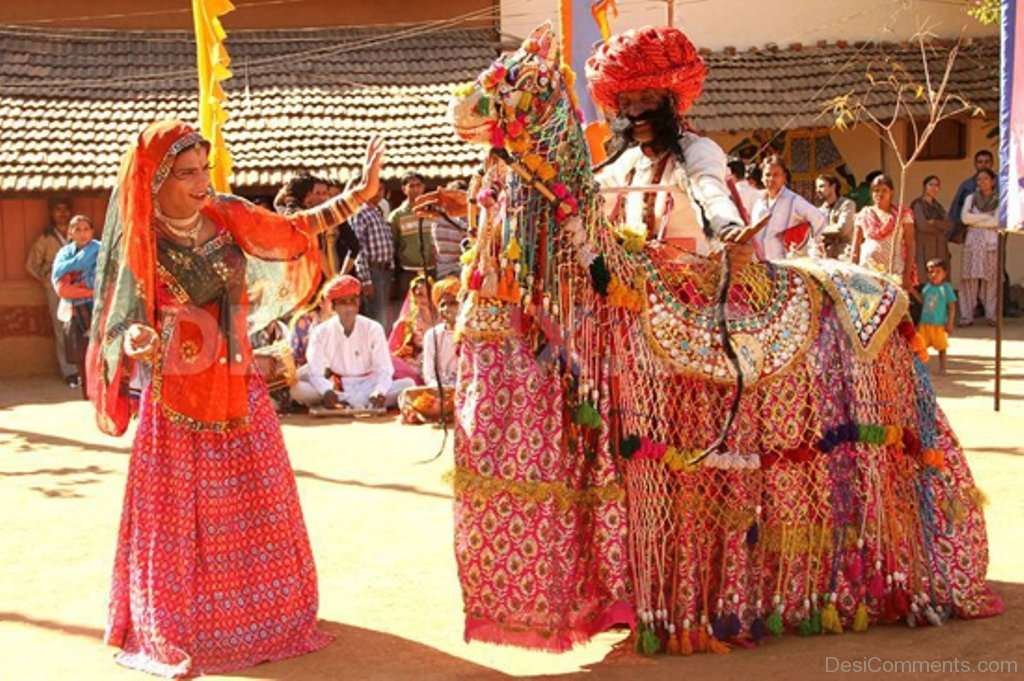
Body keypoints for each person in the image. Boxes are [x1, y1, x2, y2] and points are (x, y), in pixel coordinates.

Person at [87, 119, 385, 676]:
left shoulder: (225, 214)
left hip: (239, 388)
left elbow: (291, 230)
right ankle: (181, 624)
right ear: (156, 181)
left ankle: (265, 616)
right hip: (178, 400)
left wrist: (357, 197)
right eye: (187, 174)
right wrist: (135, 338)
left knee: (260, 504)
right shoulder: (142, 240)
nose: (202, 182)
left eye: (204, 170)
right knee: (179, 521)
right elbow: (121, 320)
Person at [588, 37, 745, 257]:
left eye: (647, 98)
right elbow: (590, 196)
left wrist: (728, 230)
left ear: (670, 101)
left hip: (700, 275)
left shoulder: (697, 150)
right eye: (626, 103)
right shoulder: (628, 163)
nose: (636, 111)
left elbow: (710, 193)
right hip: (639, 278)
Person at [290, 274, 414, 409]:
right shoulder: (320, 332)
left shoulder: (373, 328)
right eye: (343, 302)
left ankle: (355, 403)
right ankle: (352, 402)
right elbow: (315, 371)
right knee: (297, 390)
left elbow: (385, 370)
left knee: (408, 384)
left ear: (359, 303)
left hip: (370, 387)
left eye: (353, 301)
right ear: (333, 306)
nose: (349, 307)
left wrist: (379, 391)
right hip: (338, 388)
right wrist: (326, 391)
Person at [25, 196, 79, 386]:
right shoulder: (46, 238)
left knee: (83, 327)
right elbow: (31, 264)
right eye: (58, 209)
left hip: (80, 287)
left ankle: (83, 369)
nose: (62, 213)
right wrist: (46, 279)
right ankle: (69, 372)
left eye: (65, 209)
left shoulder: (80, 232)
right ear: (51, 213)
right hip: (56, 289)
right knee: (62, 329)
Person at [50, 214, 100, 398]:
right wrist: (90, 291)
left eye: (86, 229)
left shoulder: (100, 250)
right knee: (80, 355)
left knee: (101, 353)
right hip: (74, 311)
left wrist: (72, 275)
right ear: (70, 233)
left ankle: (101, 394)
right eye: (77, 229)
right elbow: (61, 286)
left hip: (99, 309)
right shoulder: (64, 253)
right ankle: (87, 393)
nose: (82, 233)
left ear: (92, 231)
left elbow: (103, 279)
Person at [398, 276, 460, 424]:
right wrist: (436, 387)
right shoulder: (432, 335)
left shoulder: (469, 334)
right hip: (437, 389)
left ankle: (442, 412)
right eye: (443, 304)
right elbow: (429, 372)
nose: (447, 309)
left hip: (460, 389)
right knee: (406, 394)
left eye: (452, 303)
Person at [749, 155, 827, 260]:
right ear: (762, 178)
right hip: (759, 261)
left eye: (776, 175)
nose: (771, 179)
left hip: (783, 262)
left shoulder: (793, 200)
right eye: (767, 175)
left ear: (784, 177)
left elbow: (819, 219)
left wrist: (809, 247)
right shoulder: (758, 201)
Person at [852, 174, 917, 295]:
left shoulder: (902, 214)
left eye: (884, 190)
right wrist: (852, 271)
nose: (880, 194)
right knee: (870, 303)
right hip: (868, 269)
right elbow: (855, 247)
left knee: (893, 304)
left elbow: (910, 244)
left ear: (891, 192)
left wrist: (907, 275)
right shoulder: (863, 214)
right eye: (876, 190)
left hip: (894, 270)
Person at [958, 168, 999, 326]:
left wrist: (975, 220)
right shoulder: (971, 198)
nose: (982, 182)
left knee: (991, 279)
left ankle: (991, 314)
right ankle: (966, 316)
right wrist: (986, 217)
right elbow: (965, 218)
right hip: (972, 244)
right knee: (969, 279)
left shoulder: (999, 199)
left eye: (985, 179)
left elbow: (996, 222)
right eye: (979, 179)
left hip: (990, 244)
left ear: (993, 181)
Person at [389, 172, 437, 307]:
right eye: (411, 186)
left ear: (423, 187)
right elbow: (393, 244)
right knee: (409, 308)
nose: (415, 189)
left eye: (418, 185)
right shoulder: (396, 216)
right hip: (407, 272)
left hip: (431, 269)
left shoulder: (433, 211)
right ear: (404, 189)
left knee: (432, 306)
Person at [352, 185, 395, 330]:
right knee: (376, 319)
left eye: (381, 189)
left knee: (384, 317)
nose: (378, 192)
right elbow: (358, 248)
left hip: (385, 271)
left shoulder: (378, 211)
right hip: (372, 271)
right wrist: (365, 280)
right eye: (375, 188)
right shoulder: (360, 212)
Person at [388, 274, 439, 375]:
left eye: (428, 293)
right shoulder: (406, 322)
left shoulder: (442, 318)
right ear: (413, 296)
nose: (425, 298)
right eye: (420, 294)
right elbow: (392, 351)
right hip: (413, 367)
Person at [918, 258, 957, 374]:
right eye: (931, 272)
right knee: (920, 347)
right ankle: (921, 369)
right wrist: (912, 291)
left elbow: (951, 307)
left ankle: (943, 368)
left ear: (945, 273)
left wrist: (950, 322)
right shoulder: (927, 287)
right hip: (925, 323)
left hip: (939, 324)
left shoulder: (946, 288)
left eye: (938, 271)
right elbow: (922, 301)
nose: (934, 274)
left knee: (942, 347)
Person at [948, 150, 995, 241]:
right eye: (980, 162)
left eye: (987, 162)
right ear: (975, 164)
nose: (983, 165)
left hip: (995, 231)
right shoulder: (967, 185)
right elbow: (956, 209)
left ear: (992, 163)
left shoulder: (1001, 184)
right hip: (972, 231)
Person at [431, 179, 469, 279]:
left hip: (442, 270)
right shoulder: (465, 219)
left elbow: (433, 248)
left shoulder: (436, 217)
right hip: (460, 270)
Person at [816, 173, 856, 259]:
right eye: (817, 187)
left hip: (843, 254)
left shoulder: (847, 204)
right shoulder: (819, 210)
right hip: (824, 255)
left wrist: (820, 230)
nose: (818, 190)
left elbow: (842, 229)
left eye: (821, 186)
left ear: (833, 187)